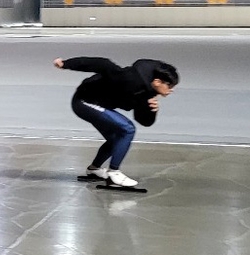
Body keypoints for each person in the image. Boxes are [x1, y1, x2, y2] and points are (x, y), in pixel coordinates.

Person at [54, 56, 179, 188]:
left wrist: (152, 110)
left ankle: (94, 169)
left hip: (99, 103)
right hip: (84, 100)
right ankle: (114, 173)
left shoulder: (148, 92)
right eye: (169, 86)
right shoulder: (130, 78)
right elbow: (103, 64)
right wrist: (66, 64)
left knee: (117, 139)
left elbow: (144, 121)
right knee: (128, 129)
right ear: (158, 82)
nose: (172, 90)